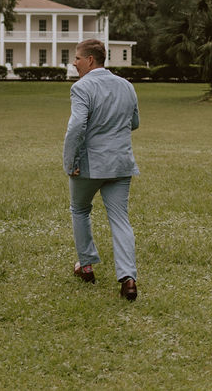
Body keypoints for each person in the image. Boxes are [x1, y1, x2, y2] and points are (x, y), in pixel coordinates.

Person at [63, 39, 140, 301]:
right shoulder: (127, 86)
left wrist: (70, 162)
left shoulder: (81, 87)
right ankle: (128, 278)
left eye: (77, 58)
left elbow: (76, 128)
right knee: (120, 218)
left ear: (90, 60)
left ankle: (86, 266)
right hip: (120, 163)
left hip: (89, 166)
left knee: (80, 210)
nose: (74, 63)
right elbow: (135, 122)